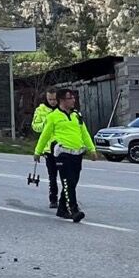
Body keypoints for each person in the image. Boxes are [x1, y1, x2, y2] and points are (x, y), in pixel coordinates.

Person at [34, 88, 96, 223]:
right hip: (62, 154)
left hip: (77, 153)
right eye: (70, 98)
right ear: (62, 100)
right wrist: (38, 151)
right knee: (67, 182)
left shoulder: (76, 115)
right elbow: (45, 135)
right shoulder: (53, 116)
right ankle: (73, 210)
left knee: (73, 181)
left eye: (73, 98)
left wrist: (92, 149)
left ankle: (61, 209)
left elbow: (84, 133)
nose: (73, 100)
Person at [31, 87, 60, 208]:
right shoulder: (41, 110)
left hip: (63, 147)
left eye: (54, 99)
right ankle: (53, 199)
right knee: (52, 176)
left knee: (66, 176)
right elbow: (35, 126)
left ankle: (68, 199)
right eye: (50, 99)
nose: (53, 101)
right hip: (48, 149)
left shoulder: (62, 109)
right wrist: (45, 125)